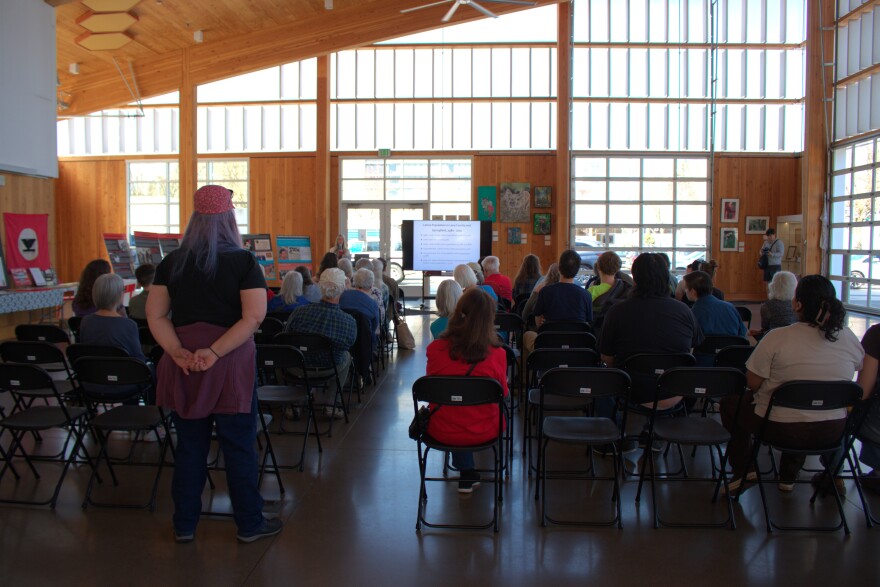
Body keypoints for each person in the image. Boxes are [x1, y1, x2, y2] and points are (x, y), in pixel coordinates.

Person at [146, 184, 281, 544]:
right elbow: (253, 317)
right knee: (238, 445)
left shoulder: (172, 262)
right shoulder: (243, 261)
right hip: (229, 363)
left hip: (185, 363)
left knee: (190, 446)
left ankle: (184, 523)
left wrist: (176, 351)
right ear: (229, 218)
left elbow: (155, 315)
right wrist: (216, 352)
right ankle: (249, 523)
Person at [719, 275, 863, 495]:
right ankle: (792, 475)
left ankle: (744, 470)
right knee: (807, 404)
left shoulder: (778, 337)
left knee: (732, 404)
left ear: (797, 304)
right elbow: (857, 368)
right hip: (833, 430)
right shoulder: (848, 337)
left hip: (779, 428)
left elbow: (753, 383)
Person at [598, 253, 704, 413]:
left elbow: (607, 357)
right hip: (676, 390)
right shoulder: (684, 311)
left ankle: (613, 429)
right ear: (666, 276)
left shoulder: (617, 311)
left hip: (632, 390)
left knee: (599, 376)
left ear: (635, 278)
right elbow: (692, 349)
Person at [425, 288, 508, 493]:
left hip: (440, 429)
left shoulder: (435, 349)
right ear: (489, 319)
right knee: (473, 406)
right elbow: (503, 395)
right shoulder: (497, 354)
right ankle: (468, 473)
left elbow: (431, 389)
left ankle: (466, 472)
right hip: (485, 430)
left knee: (454, 405)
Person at [285, 267, 357, 417]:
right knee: (347, 355)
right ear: (342, 289)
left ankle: (294, 403)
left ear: (319, 286)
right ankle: (330, 404)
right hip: (329, 367)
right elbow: (348, 344)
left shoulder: (299, 312)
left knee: (286, 353)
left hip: (298, 366)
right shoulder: (348, 321)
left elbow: (286, 338)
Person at [522, 250, 593, 355]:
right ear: (577, 270)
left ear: (559, 268)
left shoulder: (545, 292)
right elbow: (588, 322)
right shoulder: (586, 295)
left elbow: (538, 321)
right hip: (577, 348)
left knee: (527, 335)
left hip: (548, 347)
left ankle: (532, 368)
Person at [851, 324, 880, 494]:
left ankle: (833, 474)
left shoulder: (876, 334)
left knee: (839, 412)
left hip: (876, 428)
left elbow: (863, 392)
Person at [683, 270, 746, 337]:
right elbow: (742, 333)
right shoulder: (730, 307)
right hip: (732, 346)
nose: (685, 291)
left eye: (686, 288)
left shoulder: (692, 314)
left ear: (693, 292)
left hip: (705, 347)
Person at [339, 268, 381, 350]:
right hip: (364, 346)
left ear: (354, 281)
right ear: (371, 285)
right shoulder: (373, 304)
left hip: (342, 341)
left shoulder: (342, 297)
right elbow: (374, 327)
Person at [749, 270, 797, 339]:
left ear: (773, 286)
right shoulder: (798, 305)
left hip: (775, 340)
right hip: (795, 339)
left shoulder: (767, 306)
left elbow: (765, 327)